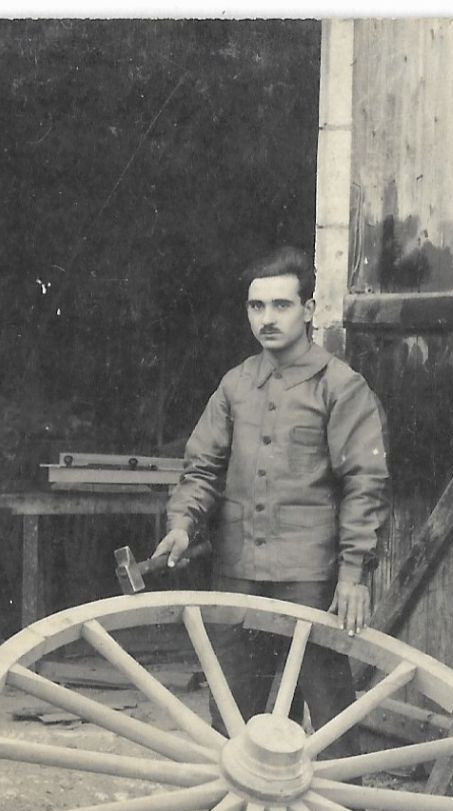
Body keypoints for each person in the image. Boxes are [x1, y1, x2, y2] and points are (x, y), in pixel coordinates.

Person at [152, 245, 389, 774]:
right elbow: (201, 469)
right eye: (256, 307)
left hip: (308, 577)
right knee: (234, 706)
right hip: (237, 573)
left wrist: (353, 574)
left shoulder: (341, 388)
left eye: (281, 306)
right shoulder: (235, 385)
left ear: (308, 310)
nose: (267, 319)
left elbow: (364, 485)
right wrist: (183, 524)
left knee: (326, 708)